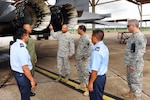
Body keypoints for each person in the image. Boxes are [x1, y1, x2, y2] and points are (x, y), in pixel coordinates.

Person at [122, 19, 147, 100]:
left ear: (133, 25)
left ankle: (137, 97)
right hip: (130, 63)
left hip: (135, 64)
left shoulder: (139, 36)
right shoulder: (133, 35)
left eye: (128, 26)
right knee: (130, 79)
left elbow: (139, 52)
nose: (127, 27)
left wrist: (133, 64)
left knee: (136, 81)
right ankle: (131, 92)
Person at [10, 28, 36, 100]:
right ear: (24, 36)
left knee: (23, 93)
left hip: (17, 74)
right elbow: (25, 68)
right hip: (23, 76)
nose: (28, 37)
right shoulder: (22, 49)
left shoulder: (14, 45)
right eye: (27, 35)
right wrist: (32, 80)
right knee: (25, 96)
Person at [88, 29, 109, 100]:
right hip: (102, 77)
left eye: (91, 36)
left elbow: (95, 70)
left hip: (96, 78)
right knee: (99, 96)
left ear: (94, 37)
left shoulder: (96, 52)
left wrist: (91, 83)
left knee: (95, 97)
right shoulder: (104, 47)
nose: (91, 38)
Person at [75, 25, 92, 95]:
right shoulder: (81, 38)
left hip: (84, 60)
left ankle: (89, 89)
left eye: (78, 29)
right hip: (79, 60)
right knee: (80, 73)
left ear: (81, 30)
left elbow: (90, 48)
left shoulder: (86, 38)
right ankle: (82, 84)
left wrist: (86, 56)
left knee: (86, 74)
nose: (77, 30)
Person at [23, 24, 37, 96]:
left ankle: (30, 87)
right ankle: (28, 91)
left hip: (32, 59)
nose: (31, 28)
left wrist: (35, 56)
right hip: (28, 61)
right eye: (29, 27)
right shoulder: (24, 38)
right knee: (28, 76)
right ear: (25, 29)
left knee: (32, 74)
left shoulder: (30, 37)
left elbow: (32, 49)